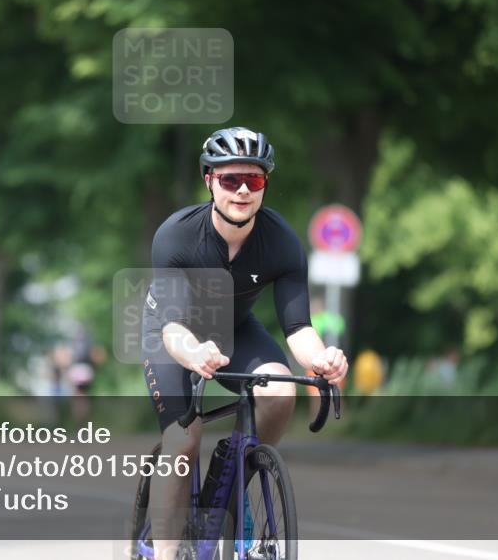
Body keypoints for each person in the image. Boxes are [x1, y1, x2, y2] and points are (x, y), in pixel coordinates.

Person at [140, 126, 349, 560]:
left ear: (265, 185)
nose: (242, 191)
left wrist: (322, 359)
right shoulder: (177, 237)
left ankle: (233, 479)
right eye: (230, 179)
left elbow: (298, 329)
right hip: (174, 336)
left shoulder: (281, 241)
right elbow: (174, 328)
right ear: (209, 180)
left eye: (253, 180)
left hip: (234, 329)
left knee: (279, 392)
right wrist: (195, 353)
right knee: (183, 442)